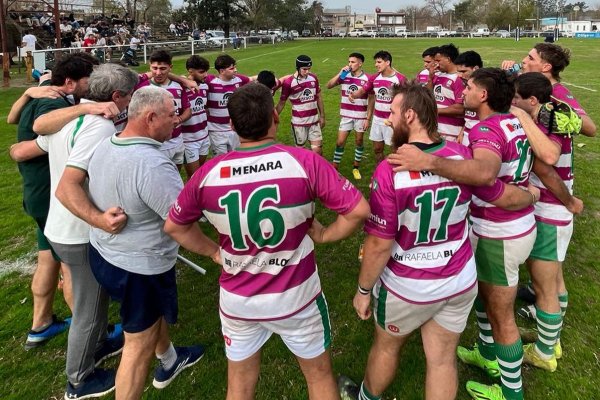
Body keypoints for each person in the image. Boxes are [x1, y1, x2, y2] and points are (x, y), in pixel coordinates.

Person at [165, 83, 370, 399]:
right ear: (275, 116)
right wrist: (326, 234)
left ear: (232, 126)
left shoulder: (207, 173)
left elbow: (175, 226)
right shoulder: (304, 162)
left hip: (238, 301)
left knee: (240, 385)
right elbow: (358, 210)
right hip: (297, 297)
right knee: (318, 377)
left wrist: (214, 252)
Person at [340, 81, 539, 400]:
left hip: (409, 284)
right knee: (443, 359)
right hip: (458, 281)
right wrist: (530, 195)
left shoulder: (390, 171)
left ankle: (365, 397)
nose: (388, 119)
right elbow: (501, 194)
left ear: (409, 116)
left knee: (387, 347)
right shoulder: (463, 157)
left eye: (392, 113)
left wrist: (364, 291)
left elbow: (379, 244)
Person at [10, 63, 138, 399]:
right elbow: (70, 186)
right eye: (129, 97)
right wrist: (99, 220)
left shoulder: (72, 115)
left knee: (92, 304)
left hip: (62, 227)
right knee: (89, 309)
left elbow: (32, 143)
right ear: (115, 96)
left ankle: (98, 345)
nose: (130, 103)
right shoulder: (95, 126)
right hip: (78, 232)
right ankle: (80, 379)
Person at [84, 86, 205, 398]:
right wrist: (216, 252)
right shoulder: (153, 164)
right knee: (137, 347)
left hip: (105, 254)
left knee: (149, 321)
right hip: (139, 268)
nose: (176, 120)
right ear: (150, 117)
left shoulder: (108, 142)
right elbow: (181, 223)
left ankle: (169, 358)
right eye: (171, 115)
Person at [502, 42, 596, 328]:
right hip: (546, 194)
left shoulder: (555, 99)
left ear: (546, 67)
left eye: (530, 57)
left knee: (549, 270)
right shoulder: (534, 93)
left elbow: (588, 129)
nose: (523, 60)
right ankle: (549, 313)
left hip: (550, 196)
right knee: (551, 269)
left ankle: (549, 335)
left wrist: (564, 118)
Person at [10, 53, 99, 350]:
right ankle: (92, 336)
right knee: (71, 266)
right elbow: (39, 128)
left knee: (47, 260)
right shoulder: (52, 102)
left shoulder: (48, 92)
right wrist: (88, 109)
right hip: (52, 196)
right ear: (71, 82)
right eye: (89, 79)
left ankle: (41, 323)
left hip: (38, 194)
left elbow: (13, 121)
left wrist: (26, 93)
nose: (93, 84)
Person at [511, 72, 584, 372]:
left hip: (552, 211)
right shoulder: (554, 113)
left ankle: (544, 351)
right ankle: (550, 339)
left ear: (531, 101)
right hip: (556, 212)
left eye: (516, 98)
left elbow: (548, 167)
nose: (512, 102)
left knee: (545, 287)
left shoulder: (542, 122)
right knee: (554, 280)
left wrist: (568, 201)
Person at [348, 50, 406, 164]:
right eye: (376, 62)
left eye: (379, 62)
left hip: (393, 121)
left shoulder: (400, 79)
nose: (376, 65)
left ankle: (393, 175)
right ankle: (380, 172)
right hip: (377, 120)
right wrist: (353, 95)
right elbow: (362, 91)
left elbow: (408, 99)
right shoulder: (374, 78)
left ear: (388, 62)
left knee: (394, 151)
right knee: (377, 149)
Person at [136, 50, 192, 167]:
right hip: (155, 143)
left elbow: (187, 110)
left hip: (177, 140)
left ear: (170, 67)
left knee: (176, 173)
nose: (158, 72)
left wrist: (180, 119)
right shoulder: (142, 87)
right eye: (154, 68)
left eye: (163, 68)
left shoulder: (179, 86)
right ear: (149, 66)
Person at [326, 52, 372, 180]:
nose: (350, 64)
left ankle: (356, 167)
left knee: (359, 141)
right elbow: (329, 85)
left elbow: (372, 99)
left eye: (353, 62)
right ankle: (334, 168)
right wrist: (340, 73)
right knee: (340, 142)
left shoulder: (367, 78)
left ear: (360, 63)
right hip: (346, 115)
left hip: (361, 116)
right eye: (349, 62)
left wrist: (368, 118)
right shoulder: (344, 76)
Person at [276, 55, 326, 155]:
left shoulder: (313, 78)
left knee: (317, 150)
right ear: (298, 67)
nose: (307, 72)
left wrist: (322, 116)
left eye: (309, 69)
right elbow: (282, 103)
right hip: (299, 123)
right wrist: (272, 117)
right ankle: (306, 168)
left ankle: (317, 169)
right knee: (301, 152)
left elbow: (319, 97)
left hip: (314, 121)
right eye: (304, 69)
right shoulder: (288, 83)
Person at [205, 54, 253, 155]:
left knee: (237, 158)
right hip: (216, 131)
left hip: (235, 129)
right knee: (221, 161)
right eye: (232, 68)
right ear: (222, 71)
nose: (235, 70)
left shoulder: (239, 80)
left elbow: (253, 79)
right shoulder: (210, 82)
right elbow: (190, 80)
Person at [181, 55, 211, 177]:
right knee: (194, 177)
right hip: (189, 140)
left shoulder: (204, 86)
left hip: (204, 137)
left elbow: (205, 109)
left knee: (200, 174)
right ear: (190, 71)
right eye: (201, 72)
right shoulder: (181, 87)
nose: (205, 75)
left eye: (206, 71)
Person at [429, 44, 465, 142]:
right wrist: (430, 77)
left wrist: (435, 111)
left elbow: (460, 109)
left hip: (452, 133)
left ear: (448, 59)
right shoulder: (438, 75)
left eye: (438, 60)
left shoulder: (459, 79)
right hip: (436, 131)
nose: (435, 64)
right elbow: (429, 96)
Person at [454, 50, 483, 145]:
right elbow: (469, 115)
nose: (460, 76)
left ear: (476, 68)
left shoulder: (490, 87)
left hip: (481, 137)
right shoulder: (466, 86)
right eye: (458, 72)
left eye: (463, 71)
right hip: (466, 135)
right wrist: (462, 131)